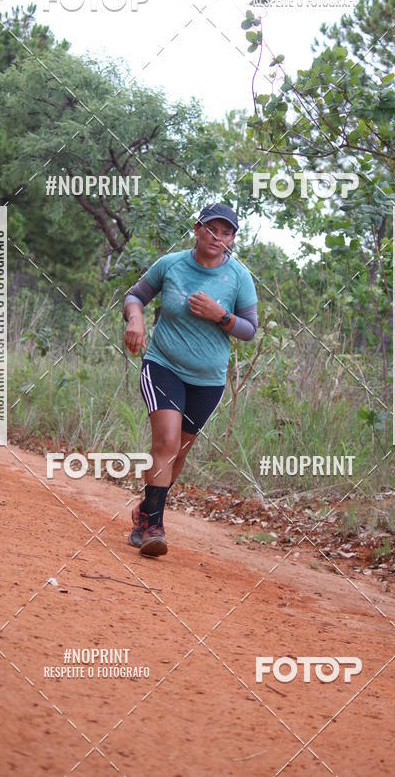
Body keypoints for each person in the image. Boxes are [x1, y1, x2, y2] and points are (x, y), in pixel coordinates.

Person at [123, 203, 258, 557]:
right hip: (163, 364)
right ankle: (154, 527)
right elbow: (135, 295)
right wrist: (135, 321)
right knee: (166, 442)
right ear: (197, 229)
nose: (218, 237)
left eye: (226, 232)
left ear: (233, 239)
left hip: (208, 379)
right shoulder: (171, 265)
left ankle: (146, 510)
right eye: (211, 229)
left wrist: (221, 316)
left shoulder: (238, 278)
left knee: (179, 453)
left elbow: (249, 330)